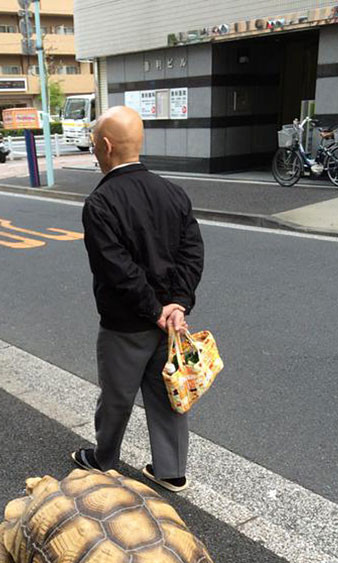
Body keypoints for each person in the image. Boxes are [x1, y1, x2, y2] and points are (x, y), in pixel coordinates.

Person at [71, 105, 204, 492]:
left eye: (94, 145)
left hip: (126, 323)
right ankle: (171, 470)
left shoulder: (101, 203)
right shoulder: (172, 193)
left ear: (106, 145)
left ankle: (104, 460)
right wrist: (177, 304)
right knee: (169, 395)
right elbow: (191, 252)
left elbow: (117, 269)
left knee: (117, 395)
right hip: (172, 325)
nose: (94, 151)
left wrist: (153, 309)